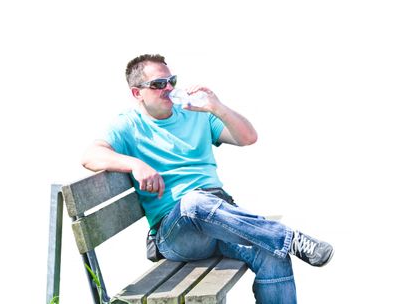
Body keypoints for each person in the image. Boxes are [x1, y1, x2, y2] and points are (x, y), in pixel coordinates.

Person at [81, 54, 334, 303]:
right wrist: (134, 164)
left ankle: (281, 241)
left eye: (172, 81)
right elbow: (90, 155)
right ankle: (290, 238)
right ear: (138, 93)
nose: (168, 88)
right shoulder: (127, 125)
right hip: (177, 232)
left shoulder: (195, 113)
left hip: (219, 220)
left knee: (273, 255)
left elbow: (248, 138)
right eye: (159, 84)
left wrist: (217, 107)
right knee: (194, 203)